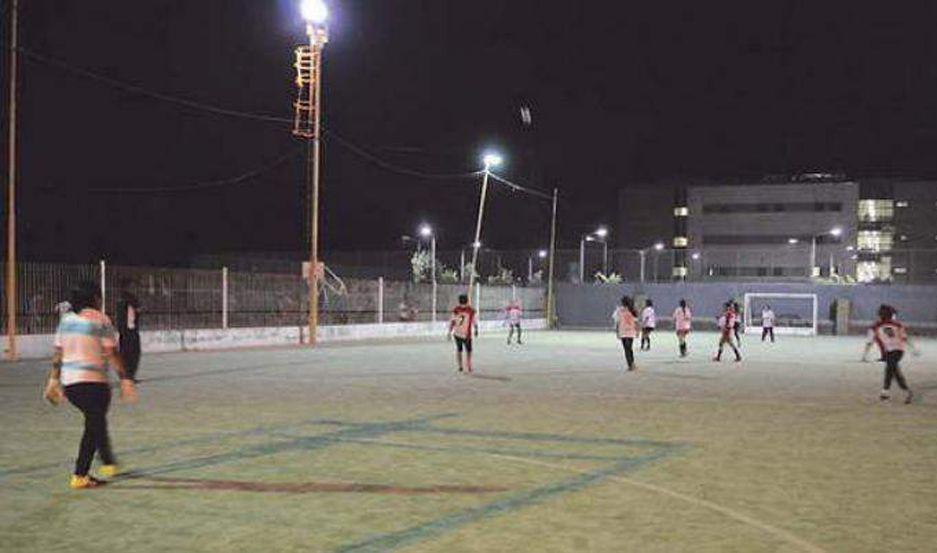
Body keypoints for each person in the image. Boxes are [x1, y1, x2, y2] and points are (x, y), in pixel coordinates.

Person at [42, 281, 138, 489]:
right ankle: (81, 474)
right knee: (94, 425)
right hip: (95, 384)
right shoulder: (101, 320)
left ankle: (108, 462)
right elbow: (111, 354)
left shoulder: (66, 321)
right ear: (94, 298)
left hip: (71, 385)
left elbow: (58, 353)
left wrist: (53, 380)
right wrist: (125, 378)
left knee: (95, 421)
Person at [872, 304, 918, 403]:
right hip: (890, 351)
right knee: (894, 371)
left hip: (897, 350)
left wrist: (912, 349)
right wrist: (883, 354)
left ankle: (885, 392)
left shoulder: (880, 326)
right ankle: (906, 390)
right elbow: (880, 341)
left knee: (889, 369)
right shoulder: (889, 325)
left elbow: (879, 341)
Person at [117, 287, 142, 382]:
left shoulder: (121, 301)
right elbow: (133, 316)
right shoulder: (130, 302)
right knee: (132, 354)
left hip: (124, 331)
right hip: (130, 331)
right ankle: (128, 375)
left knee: (125, 353)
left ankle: (126, 375)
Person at [448, 294, 478, 373]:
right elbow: (475, 321)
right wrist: (476, 329)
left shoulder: (456, 310)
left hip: (457, 333)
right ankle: (469, 365)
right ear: (467, 300)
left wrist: (449, 332)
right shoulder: (471, 310)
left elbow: (453, 321)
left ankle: (460, 366)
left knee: (459, 349)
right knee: (469, 350)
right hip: (466, 334)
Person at [612, 296, 639, 371]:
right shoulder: (620, 310)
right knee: (628, 349)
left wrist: (637, 331)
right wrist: (637, 331)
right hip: (626, 332)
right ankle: (631, 364)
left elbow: (636, 322)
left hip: (627, 332)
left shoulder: (632, 310)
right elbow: (618, 321)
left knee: (627, 348)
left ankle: (631, 364)